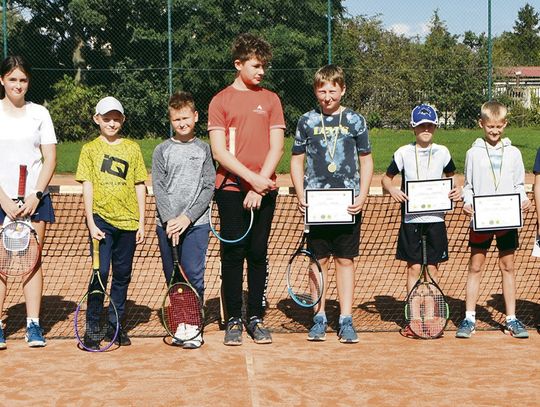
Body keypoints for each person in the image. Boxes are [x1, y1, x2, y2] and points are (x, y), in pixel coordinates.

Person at [208, 33, 285, 346]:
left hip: (264, 189)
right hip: (229, 190)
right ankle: (234, 319)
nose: (261, 71)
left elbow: (277, 146)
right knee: (232, 254)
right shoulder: (220, 101)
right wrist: (249, 180)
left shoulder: (271, 100)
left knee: (257, 254)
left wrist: (260, 183)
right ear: (238, 64)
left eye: (264, 66)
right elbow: (219, 152)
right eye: (255, 65)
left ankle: (255, 317)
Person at [290, 64, 373, 343]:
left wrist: (362, 195)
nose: (327, 96)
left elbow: (366, 159)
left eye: (332, 90)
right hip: (317, 204)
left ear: (343, 89)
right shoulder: (306, 121)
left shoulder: (355, 120)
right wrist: (302, 194)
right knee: (318, 261)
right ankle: (319, 316)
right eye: (322, 90)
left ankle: (346, 319)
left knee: (345, 261)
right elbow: (296, 159)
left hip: (347, 204)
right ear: (316, 91)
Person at [381, 104, 461, 338]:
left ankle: (433, 318)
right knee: (414, 268)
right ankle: (414, 319)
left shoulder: (443, 152)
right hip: (411, 219)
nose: (425, 129)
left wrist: (456, 191)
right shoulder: (403, 152)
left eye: (429, 125)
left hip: (436, 218)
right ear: (413, 127)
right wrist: (393, 190)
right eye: (421, 125)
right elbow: (386, 180)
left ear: (435, 127)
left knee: (433, 269)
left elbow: (452, 178)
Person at [75, 96, 147, 349]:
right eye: (107, 119)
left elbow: (140, 185)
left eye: (116, 119)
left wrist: (142, 222)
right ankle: (93, 327)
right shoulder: (90, 150)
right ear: (97, 119)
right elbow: (87, 186)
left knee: (122, 275)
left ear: (123, 120)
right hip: (101, 222)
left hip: (128, 222)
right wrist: (91, 223)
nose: (112, 123)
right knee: (100, 273)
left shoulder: (132, 148)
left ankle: (115, 326)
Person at [456, 100, 531, 339]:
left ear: (505, 124)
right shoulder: (473, 153)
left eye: (499, 126)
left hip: (507, 219)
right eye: (490, 126)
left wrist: (523, 199)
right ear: (482, 124)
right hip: (481, 219)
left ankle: (511, 318)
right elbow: (468, 186)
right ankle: (469, 318)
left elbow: (519, 185)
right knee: (475, 266)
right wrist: (467, 202)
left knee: (508, 266)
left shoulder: (514, 153)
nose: (495, 131)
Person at [0, 55, 57, 349]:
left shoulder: (40, 114)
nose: (18, 85)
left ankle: (33, 324)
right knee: (0, 264)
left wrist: (36, 194)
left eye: (22, 79)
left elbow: (50, 158)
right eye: (12, 79)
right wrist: (5, 201)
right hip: (1, 200)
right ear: (2, 80)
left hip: (35, 201)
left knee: (32, 261)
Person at [152, 91, 215, 349]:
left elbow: (208, 187)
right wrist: (170, 221)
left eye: (186, 118)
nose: (182, 123)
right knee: (174, 279)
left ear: (196, 117)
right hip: (166, 226)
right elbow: (158, 186)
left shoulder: (204, 149)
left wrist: (187, 218)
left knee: (193, 277)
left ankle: (194, 326)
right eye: (176, 119)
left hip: (196, 225)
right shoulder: (161, 150)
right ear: (171, 120)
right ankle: (180, 325)